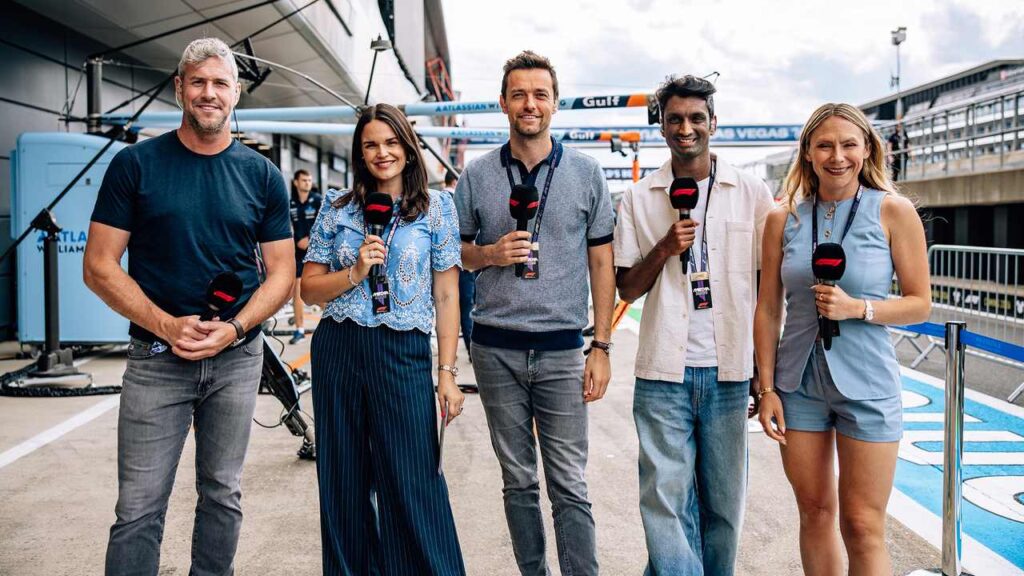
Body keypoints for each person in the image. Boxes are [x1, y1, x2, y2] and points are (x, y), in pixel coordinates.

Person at [83, 38, 294, 576]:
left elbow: (282, 273)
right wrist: (165, 325)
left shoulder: (262, 175)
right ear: (179, 88)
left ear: (236, 93)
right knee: (138, 506)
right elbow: (99, 265)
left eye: (220, 83)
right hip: (157, 359)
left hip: (236, 360)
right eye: (197, 81)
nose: (209, 93)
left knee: (222, 494)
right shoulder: (135, 165)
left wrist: (237, 327)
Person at [454, 50, 615, 576]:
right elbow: (457, 254)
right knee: (518, 480)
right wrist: (490, 254)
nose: (530, 104)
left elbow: (601, 262)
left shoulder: (586, 173)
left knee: (569, 481)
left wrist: (601, 346)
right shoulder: (477, 174)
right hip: (494, 346)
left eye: (540, 94)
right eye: (519, 94)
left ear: (555, 103)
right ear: (503, 103)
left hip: (562, 348)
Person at [754, 103, 931, 575]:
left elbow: (919, 303)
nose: (837, 156)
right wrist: (766, 387)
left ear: (867, 149)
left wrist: (859, 308)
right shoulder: (782, 219)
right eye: (825, 145)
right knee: (814, 513)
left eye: (849, 144)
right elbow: (768, 309)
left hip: (869, 384)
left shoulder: (894, 211)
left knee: (862, 525)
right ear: (808, 153)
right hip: (797, 384)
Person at [613, 75, 775, 576]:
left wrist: (763, 373)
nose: (686, 128)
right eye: (676, 119)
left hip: (729, 372)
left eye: (696, 118)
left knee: (724, 508)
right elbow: (627, 288)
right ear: (662, 127)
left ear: (713, 123)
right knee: (665, 504)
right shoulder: (639, 198)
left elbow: (768, 290)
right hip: (663, 373)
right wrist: (664, 247)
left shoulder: (752, 193)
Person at [301, 103, 466, 575]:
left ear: (409, 149)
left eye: (392, 142)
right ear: (359, 152)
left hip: (402, 351)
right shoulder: (337, 207)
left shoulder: (438, 208)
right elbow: (309, 289)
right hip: (339, 347)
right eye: (370, 144)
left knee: (413, 479)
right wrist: (354, 272)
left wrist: (447, 374)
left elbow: (447, 295)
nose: (382, 153)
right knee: (344, 481)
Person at [443, 170, 476, 358]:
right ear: (455, 182)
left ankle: (449, 352)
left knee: (445, 307)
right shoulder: (457, 201)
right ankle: (470, 348)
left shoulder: (437, 201)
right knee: (465, 309)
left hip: (442, 267)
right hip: (463, 266)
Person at [288, 169, 322, 344]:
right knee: (298, 291)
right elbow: (285, 227)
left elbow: (325, 225)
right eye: (304, 180)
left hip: (316, 251)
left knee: (319, 293)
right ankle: (299, 330)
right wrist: (296, 240)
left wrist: (311, 240)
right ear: (296, 182)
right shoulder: (290, 203)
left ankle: (337, 322)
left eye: (309, 180)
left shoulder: (318, 200)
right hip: (297, 253)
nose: (307, 183)